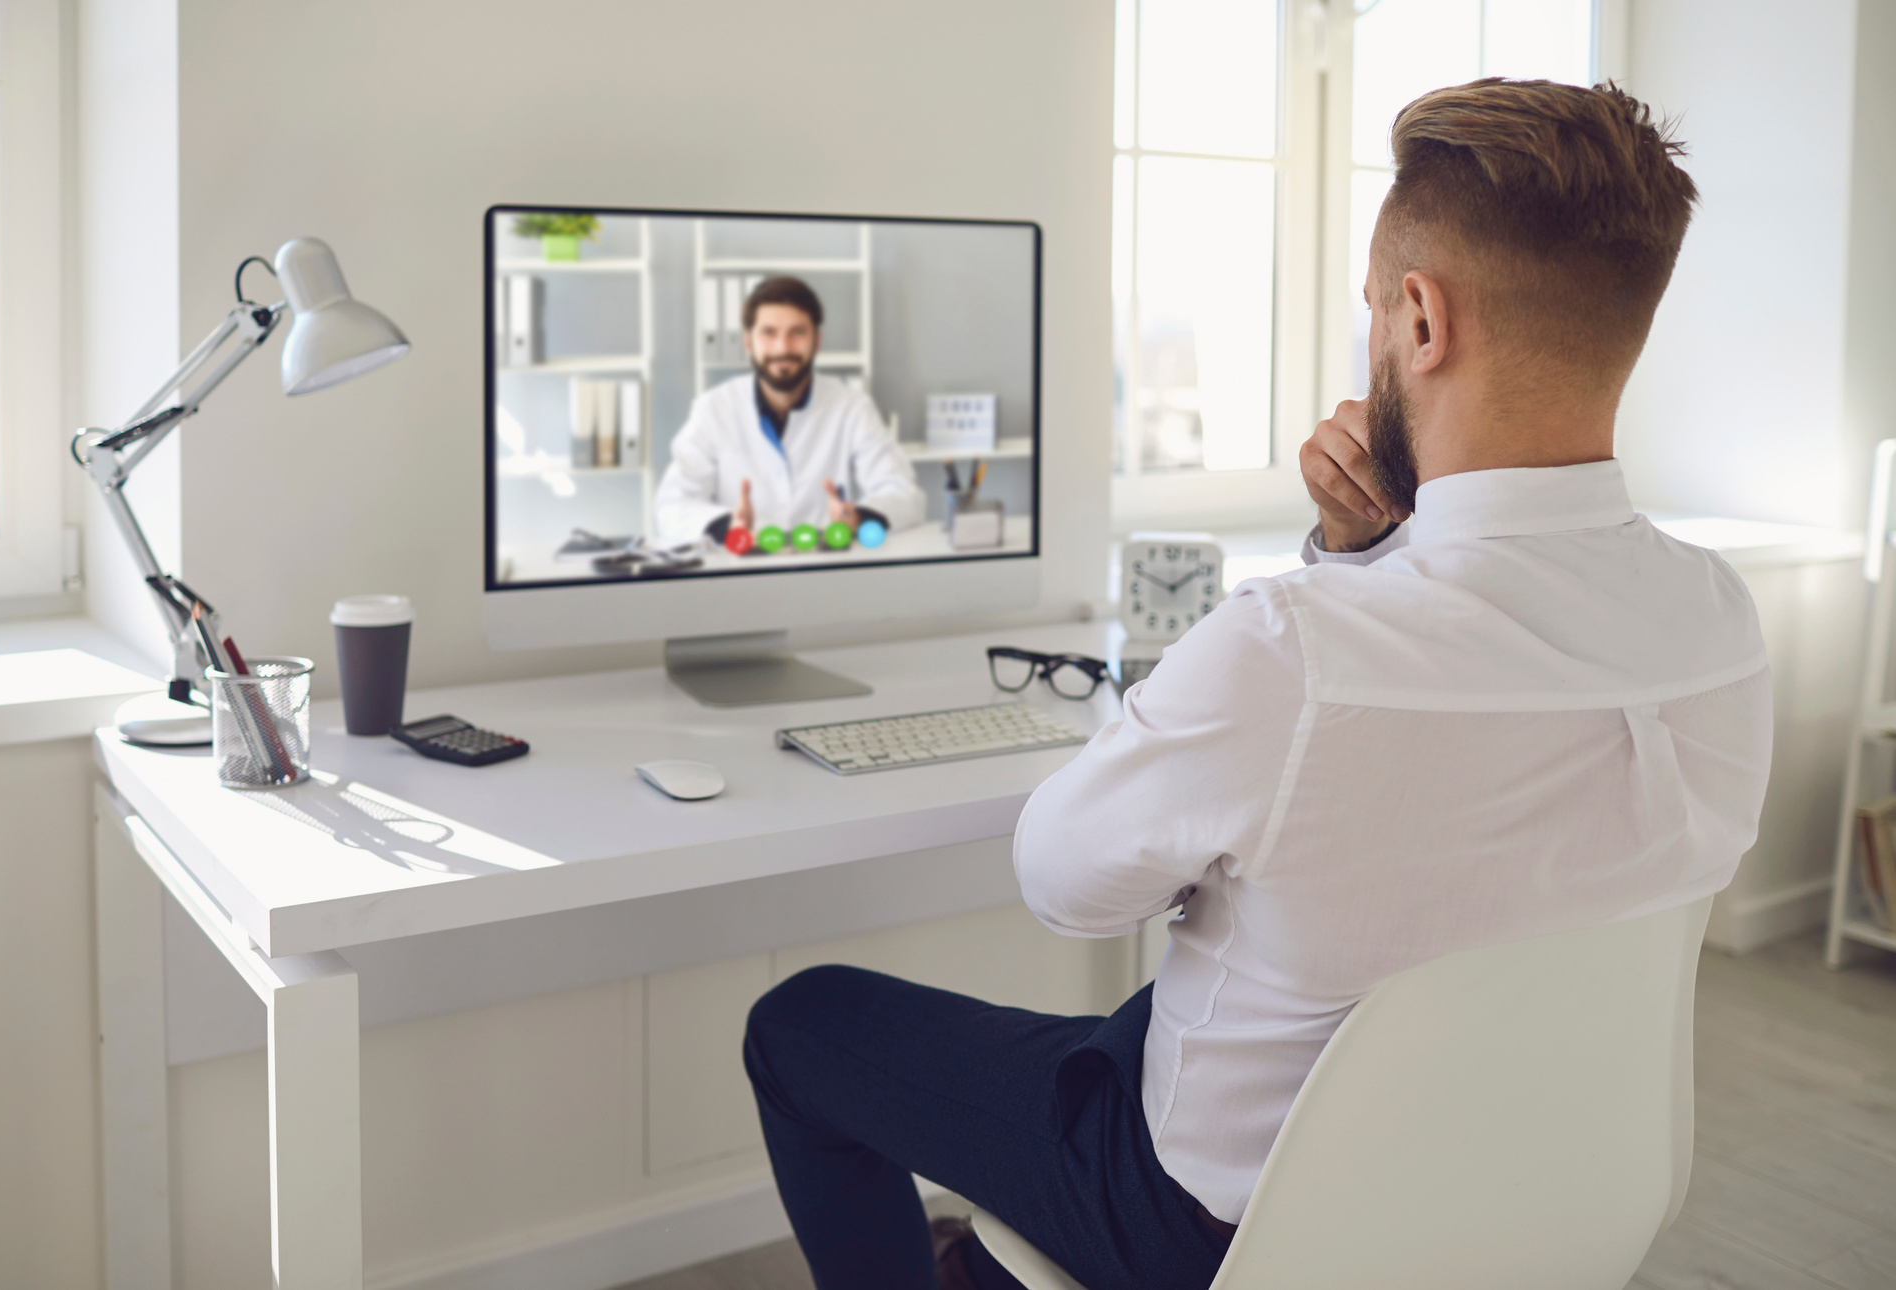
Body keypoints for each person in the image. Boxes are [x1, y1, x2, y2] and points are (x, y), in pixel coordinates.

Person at [743, 79, 1772, 1290]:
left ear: (1422, 320)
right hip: (1539, 1199)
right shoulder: (1720, 625)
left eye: (1375, 310)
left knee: (800, 1024)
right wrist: (1362, 557)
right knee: (1130, 1032)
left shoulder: (1293, 648)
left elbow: (1064, 883)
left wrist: (1331, 593)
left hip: (1227, 1233)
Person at [652, 275, 926, 544]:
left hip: (826, 564)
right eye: (768, 333)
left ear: (817, 341)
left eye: (797, 333)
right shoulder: (714, 409)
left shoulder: (852, 407)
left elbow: (903, 493)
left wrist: (858, 518)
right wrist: (727, 526)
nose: (783, 347)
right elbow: (672, 503)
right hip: (740, 566)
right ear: (748, 343)